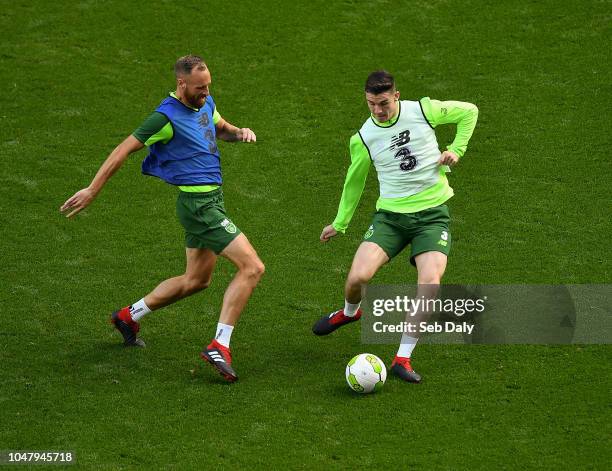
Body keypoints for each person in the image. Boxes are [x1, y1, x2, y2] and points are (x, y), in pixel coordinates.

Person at [60, 55, 264, 383]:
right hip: (200, 207)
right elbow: (122, 150)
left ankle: (128, 317)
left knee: (196, 280)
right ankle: (219, 345)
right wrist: (92, 190)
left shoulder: (206, 102)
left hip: (212, 201)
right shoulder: (163, 118)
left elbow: (220, 128)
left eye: (208, 85)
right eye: (199, 87)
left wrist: (240, 133)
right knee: (252, 267)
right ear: (181, 84)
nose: (206, 91)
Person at [312, 70, 478, 383]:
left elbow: (469, 111)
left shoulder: (423, 111)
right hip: (390, 218)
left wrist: (456, 149)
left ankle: (402, 358)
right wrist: (340, 222)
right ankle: (350, 313)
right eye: (372, 104)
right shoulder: (363, 137)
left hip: (432, 215)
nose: (378, 110)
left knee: (430, 283)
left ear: (397, 95)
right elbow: (354, 180)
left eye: (384, 103)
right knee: (358, 277)